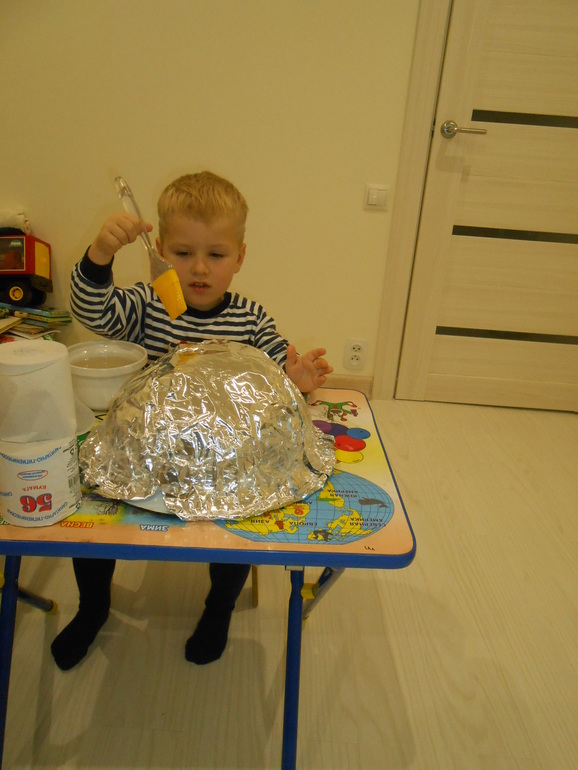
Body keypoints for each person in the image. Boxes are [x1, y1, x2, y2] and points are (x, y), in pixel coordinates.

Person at [53, 171, 332, 671]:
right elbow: (94, 313)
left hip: (225, 463)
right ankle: (93, 606)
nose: (199, 268)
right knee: (92, 517)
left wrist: (297, 375)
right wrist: (100, 255)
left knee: (240, 522)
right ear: (159, 251)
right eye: (182, 253)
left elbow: (275, 371)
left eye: (216, 255)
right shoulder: (147, 305)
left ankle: (218, 607)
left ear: (239, 257)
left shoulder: (250, 319)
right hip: (143, 456)